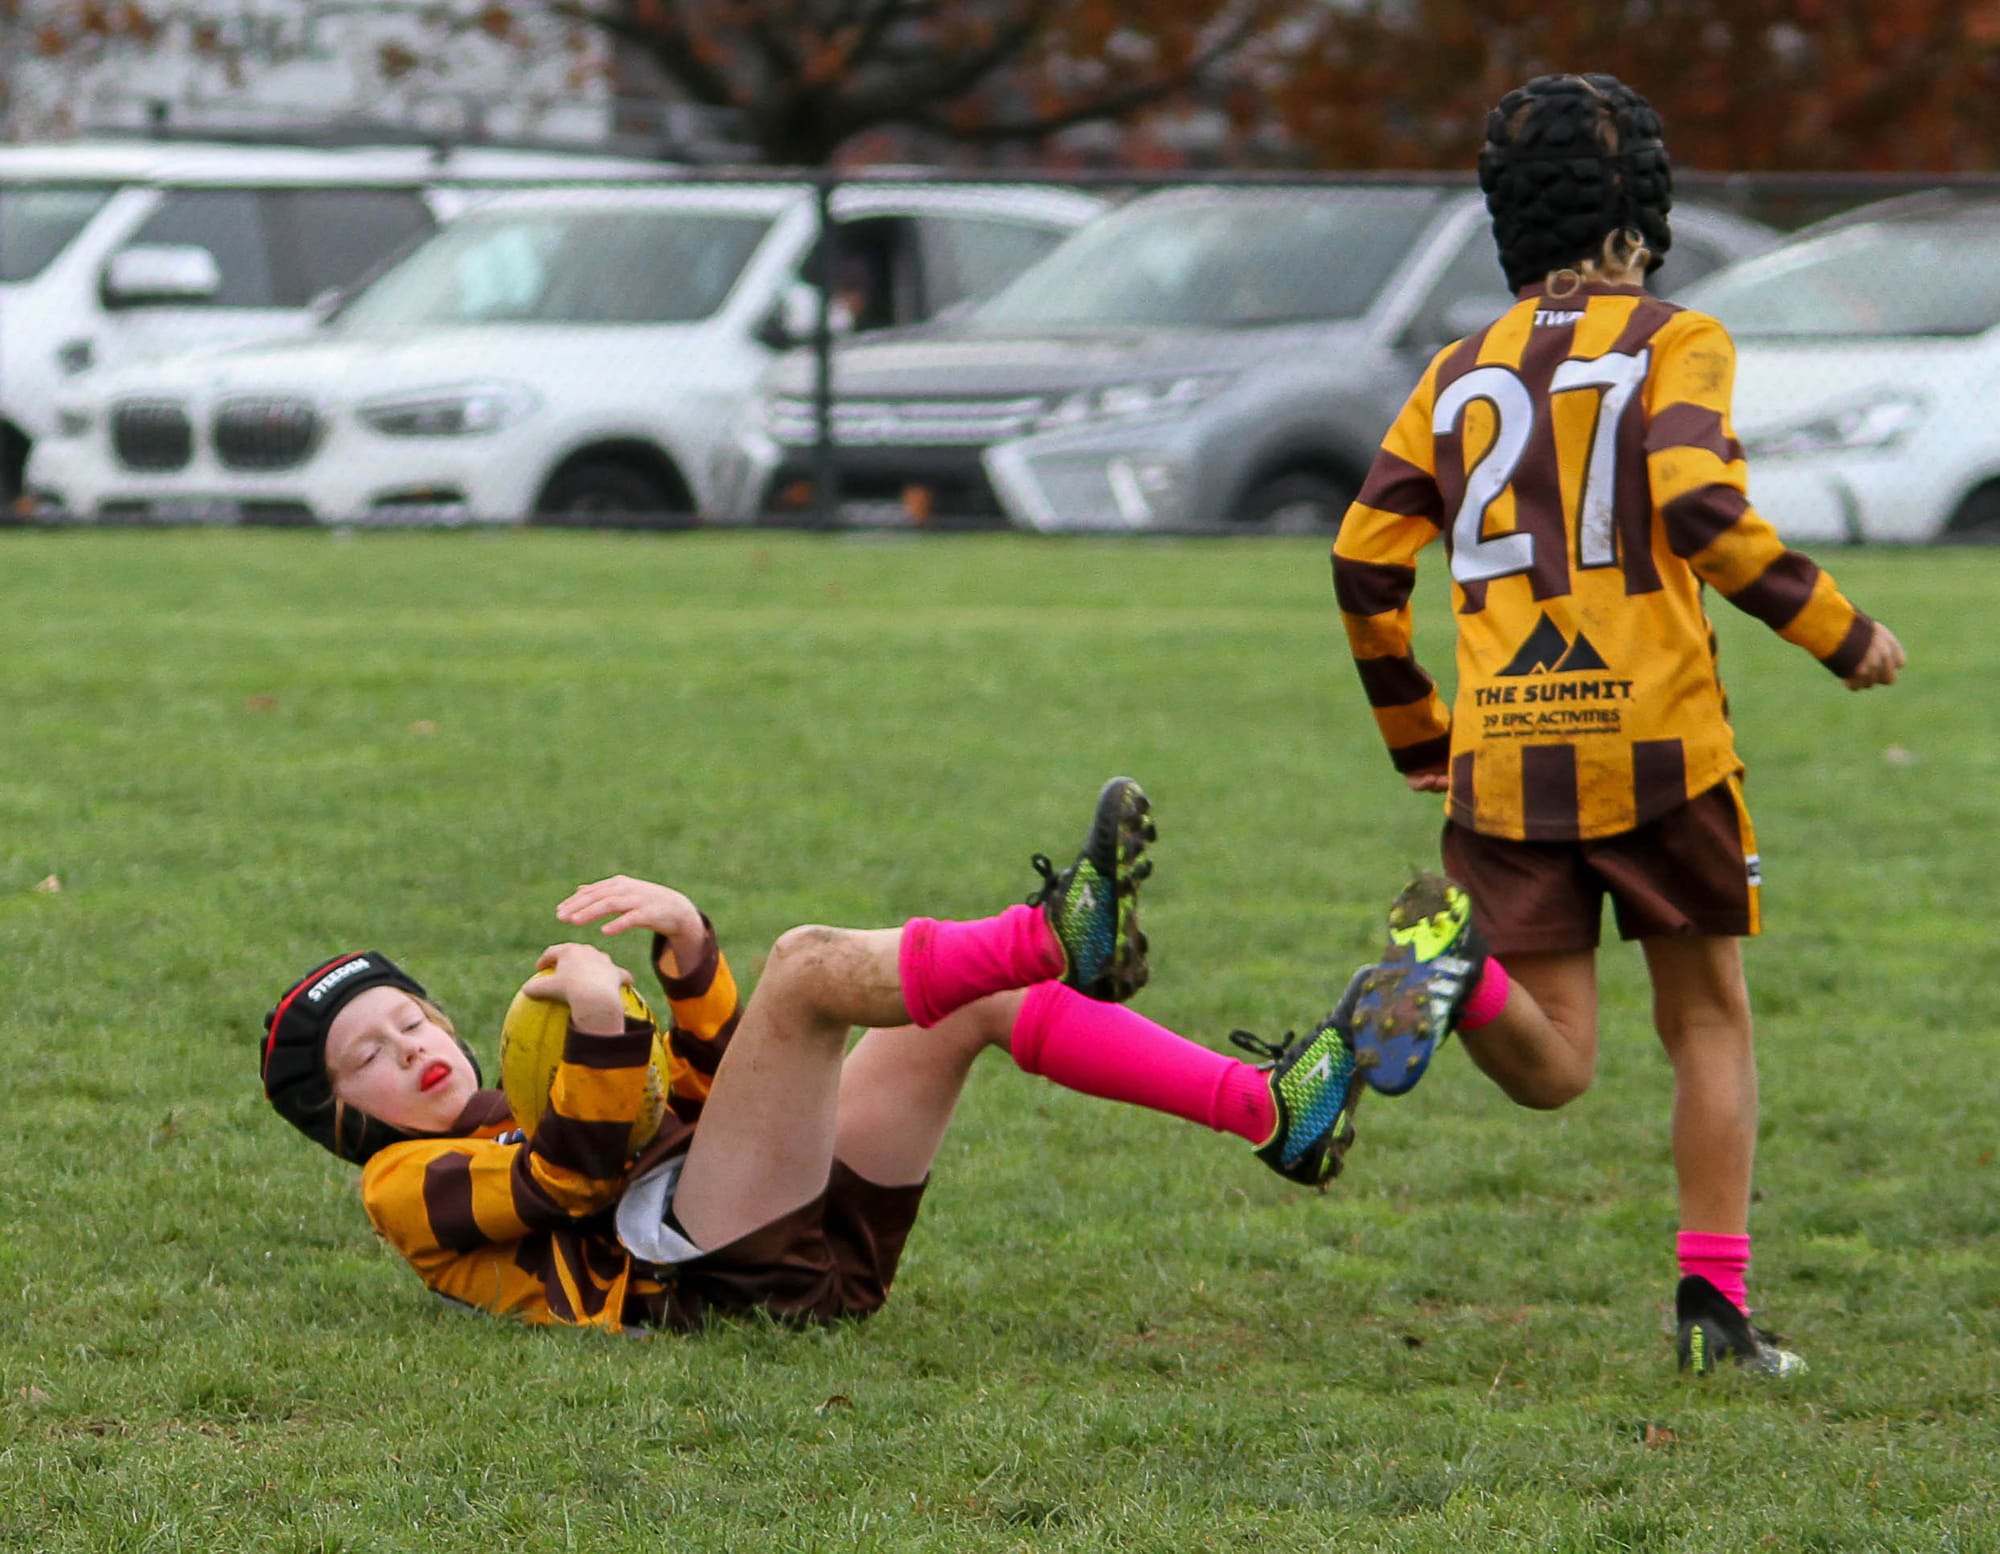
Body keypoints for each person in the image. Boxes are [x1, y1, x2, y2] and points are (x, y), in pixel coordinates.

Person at [1328, 73, 1905, 1377]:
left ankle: (1455, 978)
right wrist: (1836, 627)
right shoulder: (1674, 339)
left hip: (1505, 751)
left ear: (1505, 225)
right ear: (1642, 216)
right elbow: (1698, 507)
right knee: (1706, 1018)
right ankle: (1713, 1313)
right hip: (1660, 747)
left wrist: (1420, 734)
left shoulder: (1454, 372)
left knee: (1558, 1063)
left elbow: (1364, 563)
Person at [259, 779, 1380, 1334]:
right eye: (368, 1057)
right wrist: (605, 1025)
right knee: (803, 970)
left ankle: (1271, 1112)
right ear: (343, 1118)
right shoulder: (401, 1189)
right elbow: (571, 1177)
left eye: (408, 1020)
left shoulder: (516, 1084)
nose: (408, 1049)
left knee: (969, 1010)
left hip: (789, 1237)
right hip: (719, 1281)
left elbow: (712, 1084)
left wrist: (688, 945)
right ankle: (1053, 930)